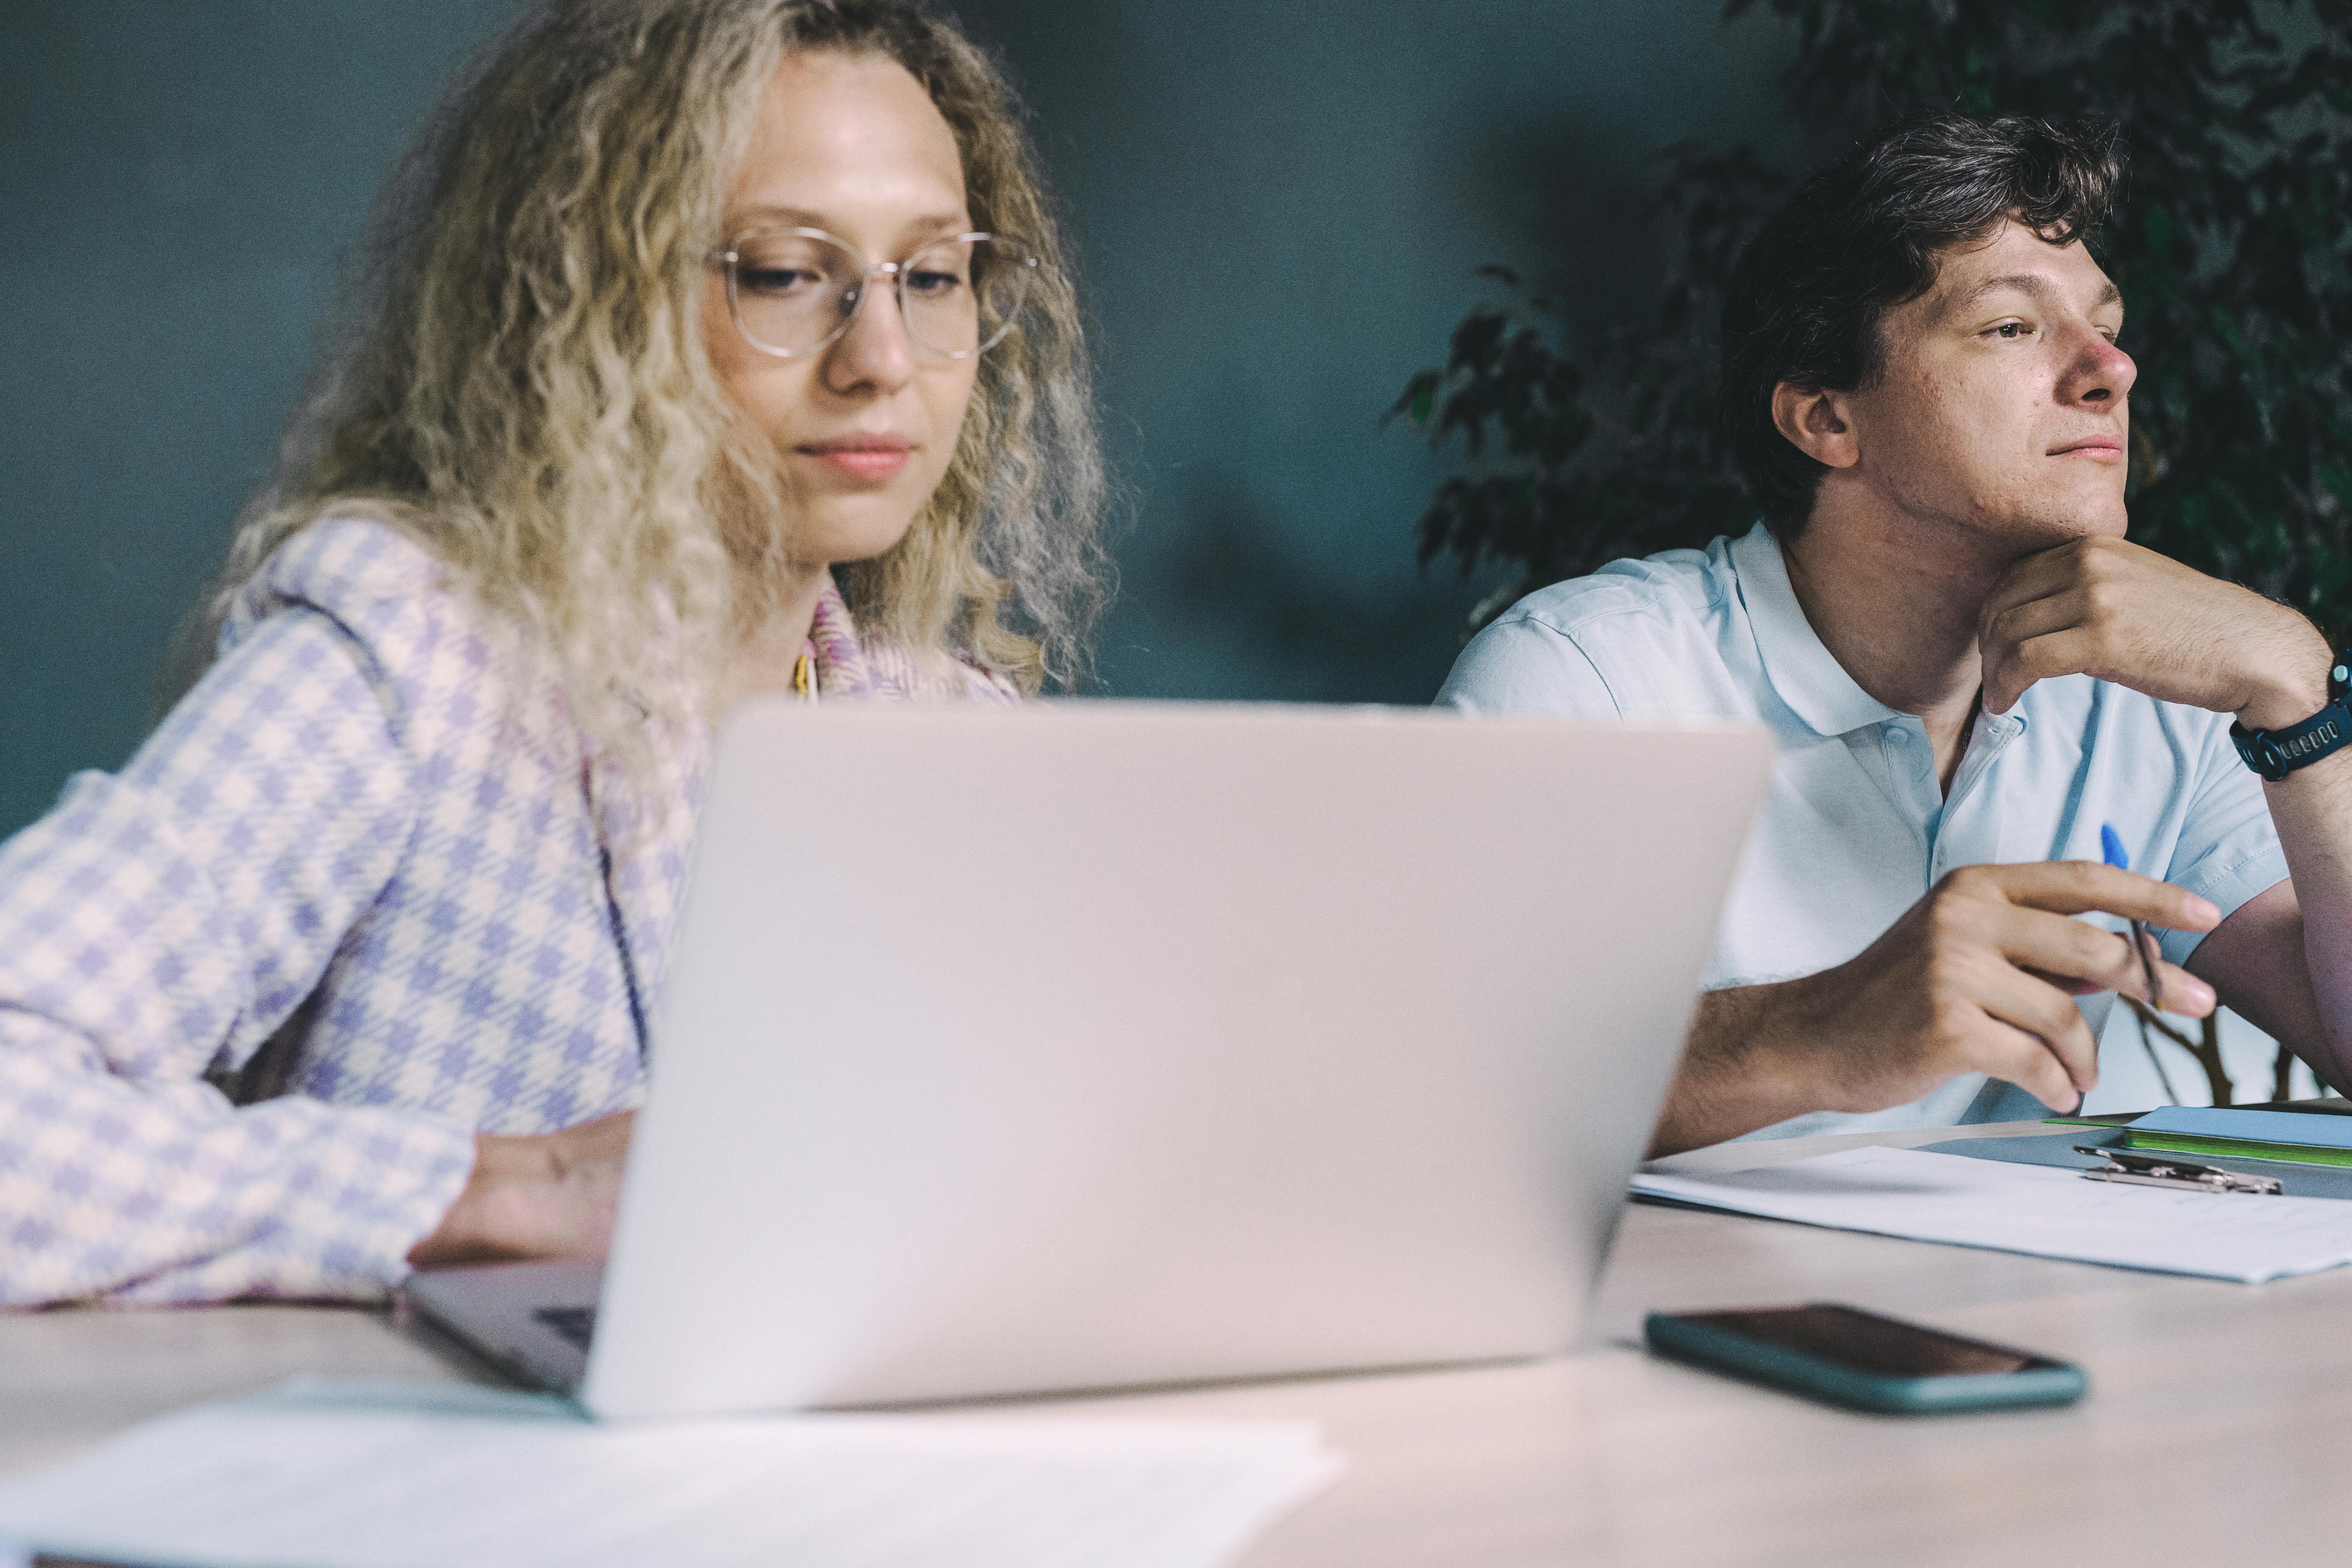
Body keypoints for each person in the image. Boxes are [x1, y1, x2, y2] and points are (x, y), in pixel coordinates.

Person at [0, 0, 1106, 1305]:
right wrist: (509, 1190)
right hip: (425, 1494)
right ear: (584, 301)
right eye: (782, 274)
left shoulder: (961, 742)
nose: (882, 361)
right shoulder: (404, 665)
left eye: (931, 278)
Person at [1440, 116, 2352, 1154]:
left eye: (2107, 322)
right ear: (1827, 418)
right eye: (2012, 328)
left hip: (1996, 1299)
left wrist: (2298, 689)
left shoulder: (2156, 699)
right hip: (1651, 1308)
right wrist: (1818, 1029)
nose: (2111, 368)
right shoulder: (1587, 681)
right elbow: (1433, 1107)